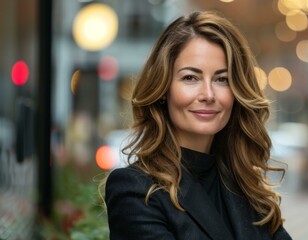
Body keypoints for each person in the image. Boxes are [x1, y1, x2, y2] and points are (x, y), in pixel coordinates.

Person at [102, 11, 292, 240]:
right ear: (163, 89)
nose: (208, 94)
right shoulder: (135, 189)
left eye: (222, 79)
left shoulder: (248, 189)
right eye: (191, 78)